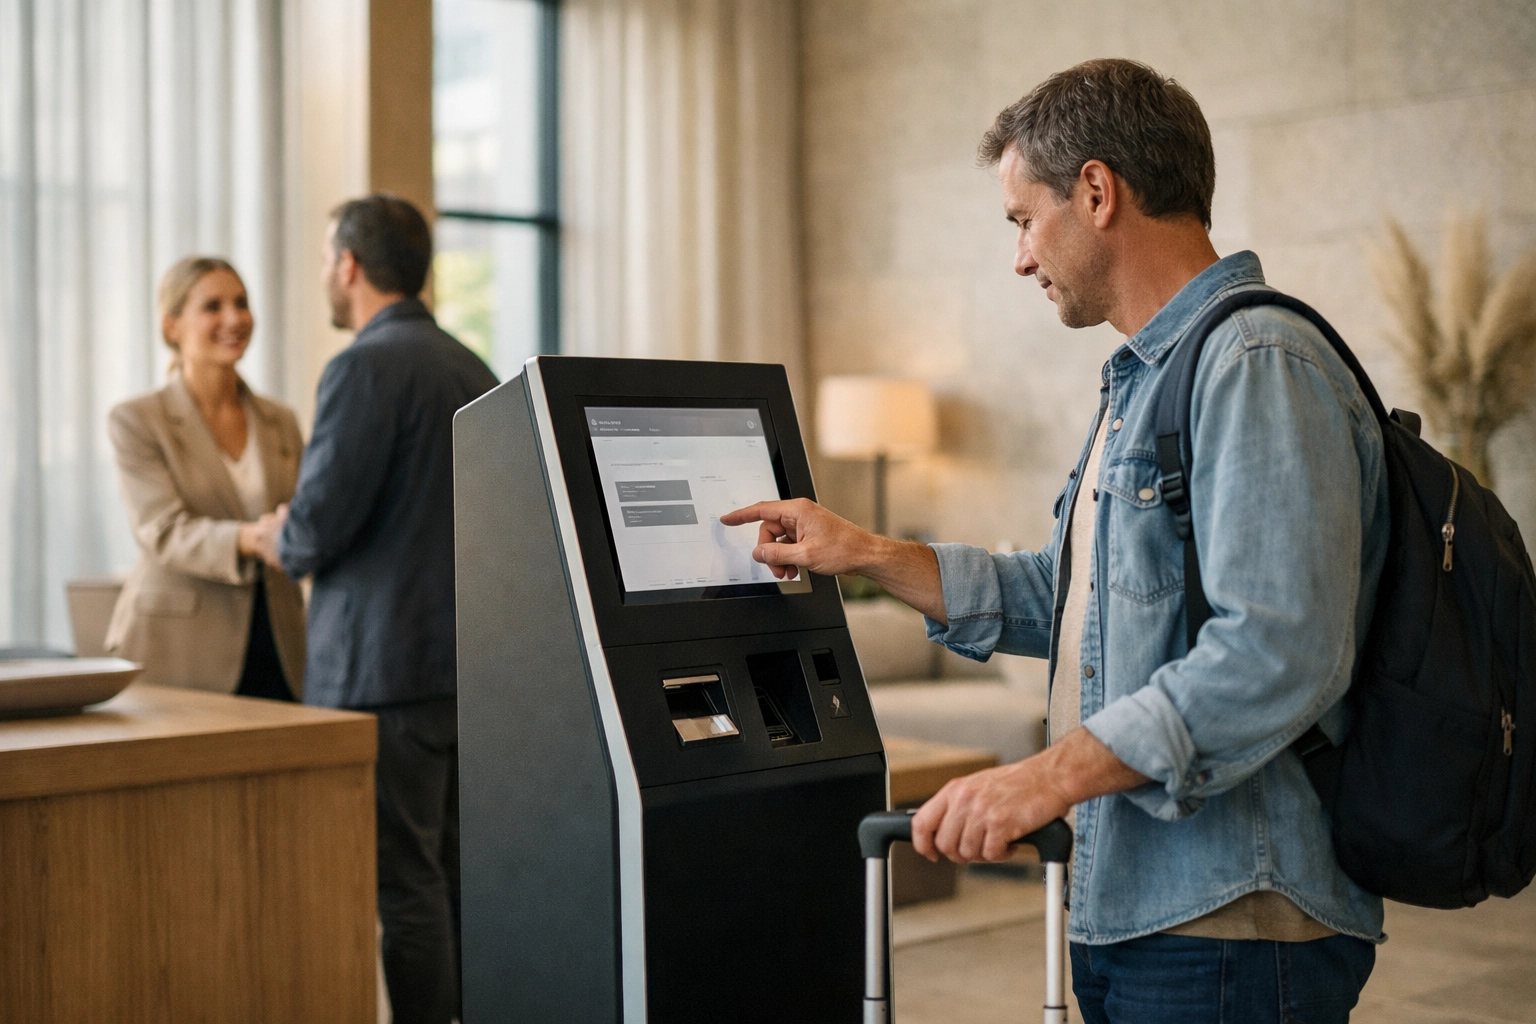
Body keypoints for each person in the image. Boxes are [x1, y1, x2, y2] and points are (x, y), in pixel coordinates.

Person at [723, 59, 1386, 1023]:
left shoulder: (1255, 364)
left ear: (1097, 191)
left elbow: (1277, 652)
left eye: (1021, 220)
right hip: (1134, 909)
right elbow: (1068, 597)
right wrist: (863, 551)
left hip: (1229, 927)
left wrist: (1042, 778)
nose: (1021, 258)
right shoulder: (1147, 380)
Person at [250, 194, 498, 1024]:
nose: (325, 271)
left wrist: (278, 533)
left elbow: (317, 528)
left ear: (350, 266)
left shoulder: (363, 367)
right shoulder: (474, 369)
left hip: (380, 674)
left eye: (328, 257)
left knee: (405, 885)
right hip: (466, 669)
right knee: (460, 873)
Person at [105, 256, 305, 700]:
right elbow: (163, 530)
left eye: (241, 303)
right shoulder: (137, 421)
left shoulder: (281, 421)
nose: (234, 318)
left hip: (278, 642)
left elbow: (303, 510)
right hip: (178, 649)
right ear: (172, 326)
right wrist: (253, 539)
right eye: (213, 306)